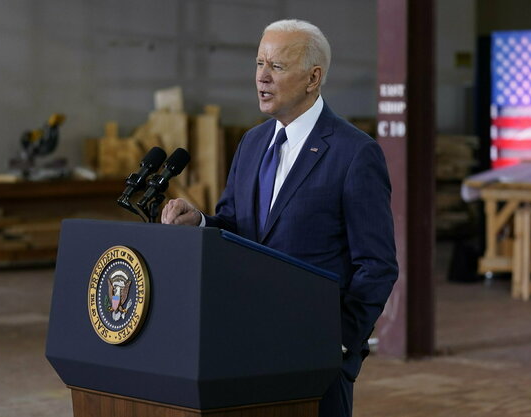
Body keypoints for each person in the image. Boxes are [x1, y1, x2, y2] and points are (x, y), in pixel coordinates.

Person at [161, 19, 398, 417]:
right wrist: (201, 223)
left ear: (313, 78)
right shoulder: (252, 143)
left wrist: (340, 343)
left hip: (315, 360)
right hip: (245, 346)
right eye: (258, 63)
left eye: (277, 67)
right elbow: (237, 226)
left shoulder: (355, 153)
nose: (262, 78)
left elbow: (377, 265)